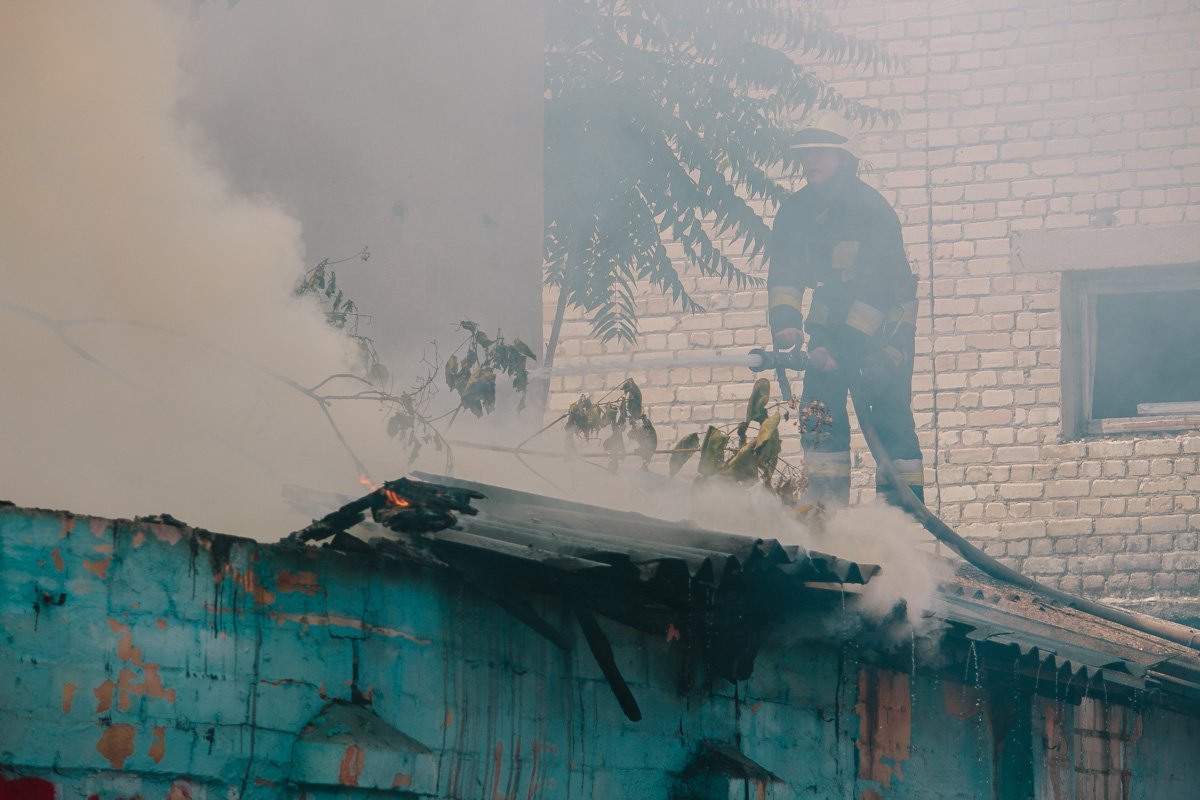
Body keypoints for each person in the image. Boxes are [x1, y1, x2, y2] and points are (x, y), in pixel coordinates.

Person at [767, 109, 924, 508]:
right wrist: (786, 324)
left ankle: (902, 522)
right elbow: (784, 273)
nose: (811, 161)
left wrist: (842, 353)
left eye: (821, 152)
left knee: (888, 415)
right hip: (831, 323)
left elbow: (877, 292)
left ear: (844, 159)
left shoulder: (872, 211)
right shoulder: (795, 211)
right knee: (819, 414)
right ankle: (827, 517)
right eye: (806, 153)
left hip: (884, 327)